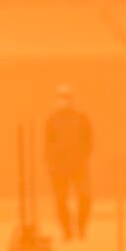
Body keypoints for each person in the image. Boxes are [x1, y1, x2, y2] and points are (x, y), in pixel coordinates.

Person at [45, 84, 93, 240]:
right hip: (60, 168)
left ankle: (81, 228)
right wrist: (52, 164)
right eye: (61, 97)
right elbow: (48, 144)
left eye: (66, 97)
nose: (63, 101)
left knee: (85, 197)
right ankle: (67, 231)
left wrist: (83, 156)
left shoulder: (81, 118)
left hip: (78, 166)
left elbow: (89, 139)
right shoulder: (52, 120)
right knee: (60, 200)